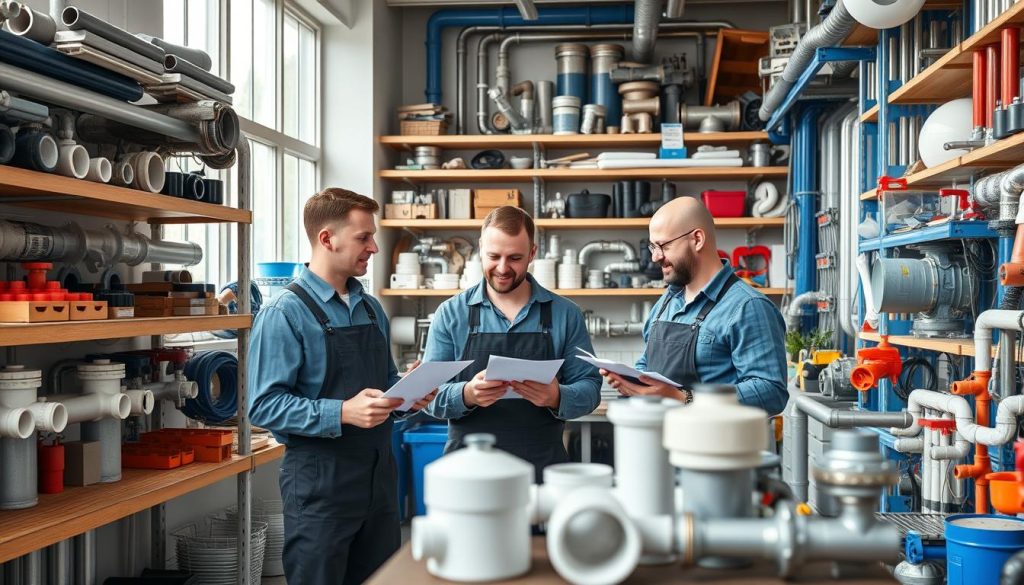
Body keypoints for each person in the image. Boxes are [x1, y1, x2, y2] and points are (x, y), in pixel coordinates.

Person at [248, 188, 436, 585]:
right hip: (321, 484)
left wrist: (409, 394)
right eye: (363, 237)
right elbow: (263, 407)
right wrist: (342, 412)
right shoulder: (284, 313)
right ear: (327, 239)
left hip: (379, 479)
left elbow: (383, 384)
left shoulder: (370, 309)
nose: (374, 247)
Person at [423, 206, 602, 480]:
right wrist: (467, 394)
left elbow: (590, 389)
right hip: (469, 473)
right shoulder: (451, 314)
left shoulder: (565, 314)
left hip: (541, 469)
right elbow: (428, 395)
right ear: (481, 248)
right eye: (494, 256)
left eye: (515, 258)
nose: (503, 268)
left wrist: (556, 397)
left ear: (532, 253)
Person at [602, 196, 788, 415]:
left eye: (663, 245)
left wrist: (684, 398)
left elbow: (771, 391)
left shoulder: (748, 307)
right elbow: (648, 362)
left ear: (697, 239)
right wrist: (634, 381)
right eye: (653, 246)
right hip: (664, 440)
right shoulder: (667, 301)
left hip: (716, 445)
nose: (655, 257)